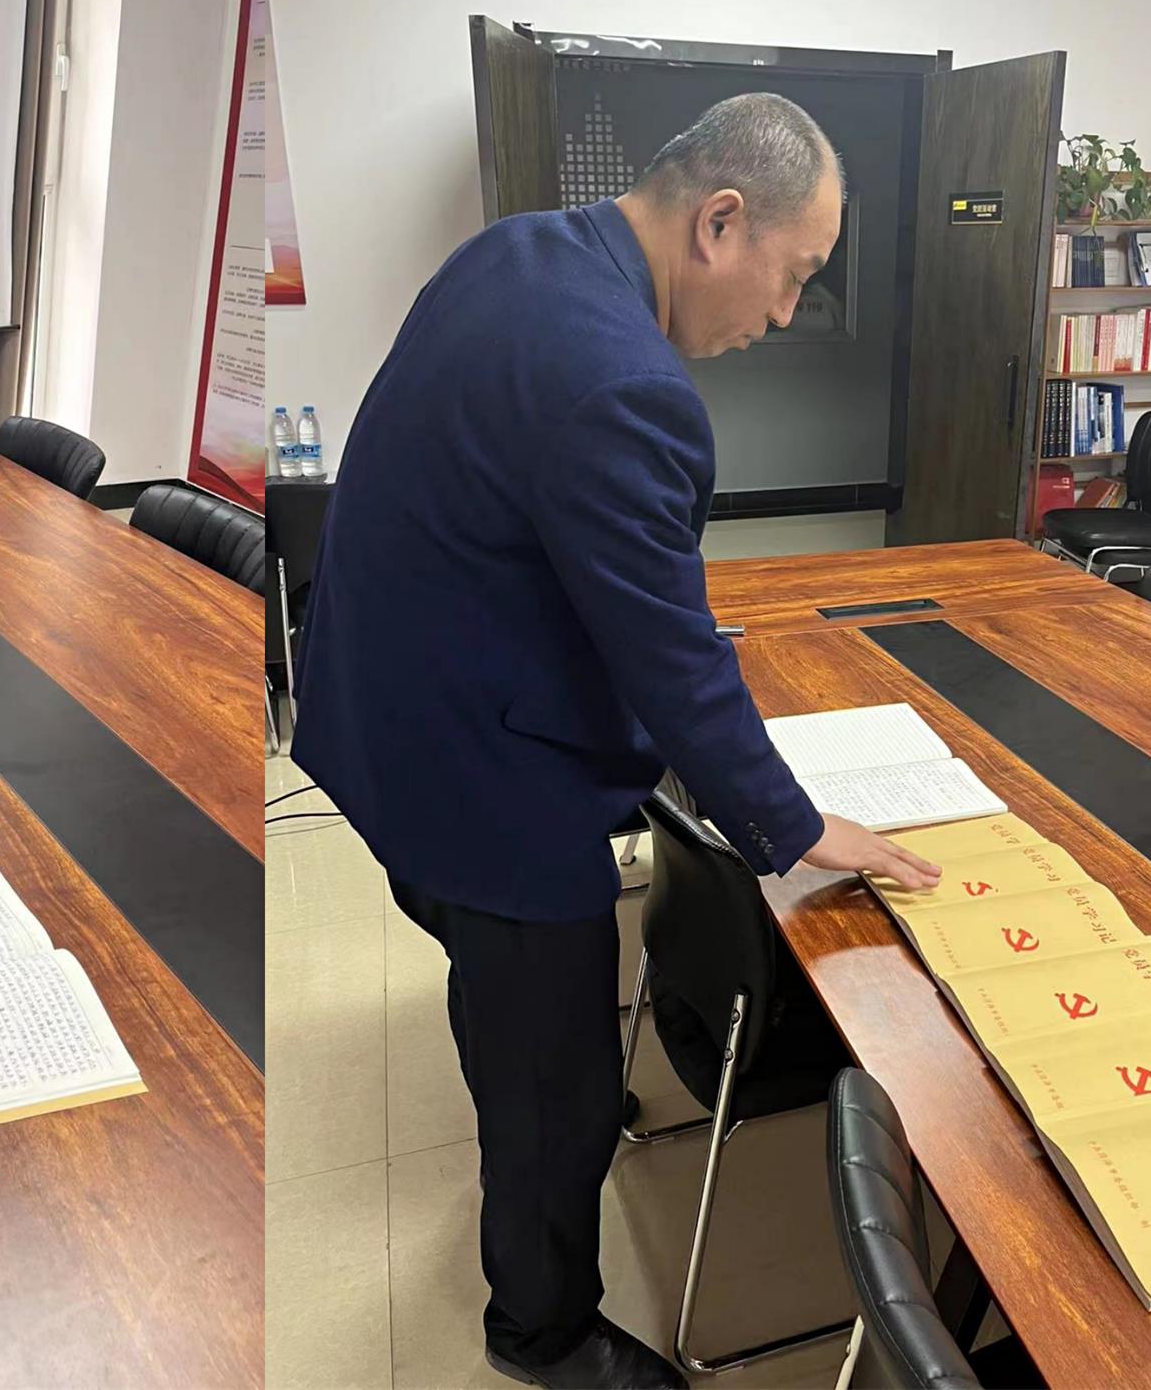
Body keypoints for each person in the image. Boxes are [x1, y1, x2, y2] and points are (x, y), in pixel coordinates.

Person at [291, 93, 942, 1390]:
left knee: (516, 1011)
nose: (786, 314)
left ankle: (525, 1062)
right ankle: (541, 1333)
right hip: (474, 772)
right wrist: (797, 827)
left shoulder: (520, 251)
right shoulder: (623, 382)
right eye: (795, 274)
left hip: (381, 708)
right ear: (720, 222)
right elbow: (672, 659)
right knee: (559, 1093)